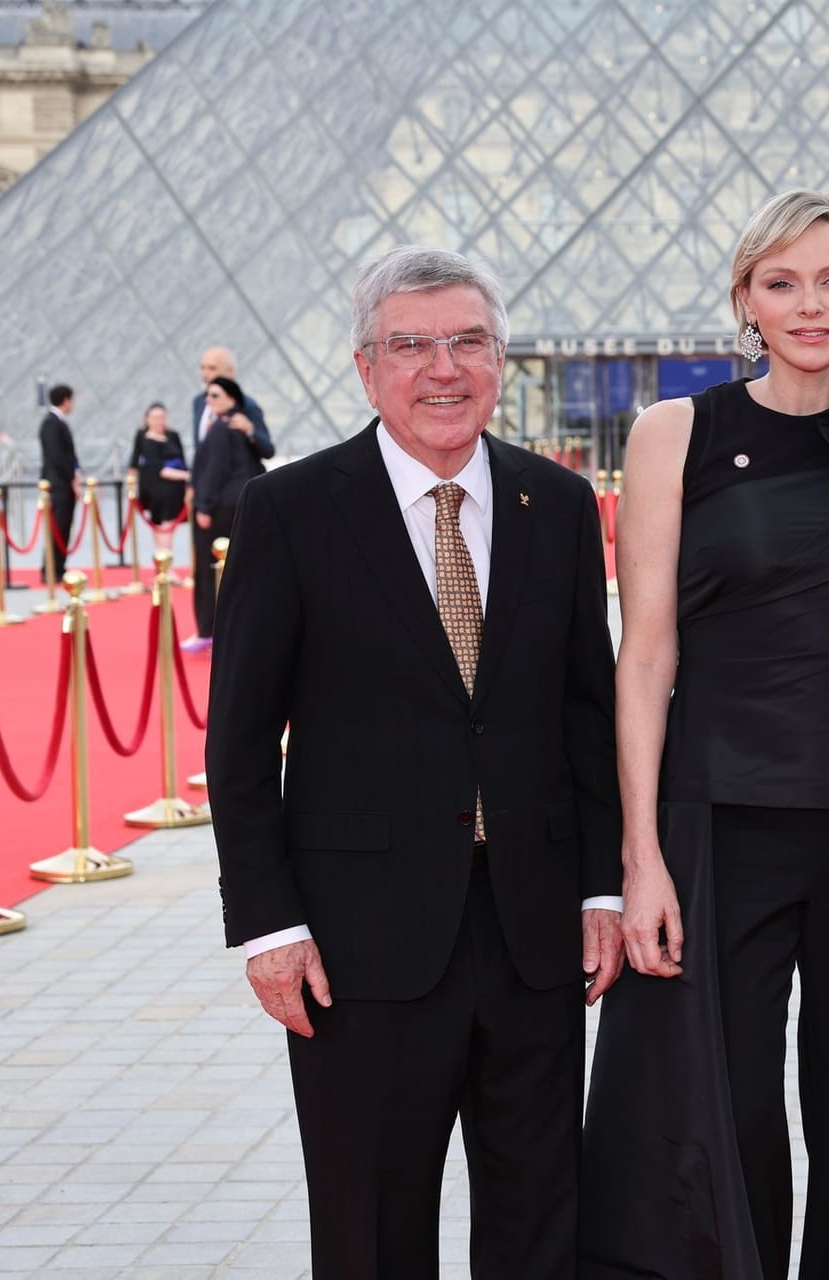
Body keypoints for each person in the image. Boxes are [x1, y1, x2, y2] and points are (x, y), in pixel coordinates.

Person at [208, 245, 623, 1278]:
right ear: (365, 367)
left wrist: (604, 887)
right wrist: (269, 923)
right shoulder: (291, 510)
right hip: (358, 938)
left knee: (540, 1221)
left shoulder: (557, 506)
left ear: (499, 359)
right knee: (372, 1226)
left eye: (468, 342)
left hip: (533, 925)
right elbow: (241, 738)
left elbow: (587, 712)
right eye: (412, 345)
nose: (444, 368)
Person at [580, 189, 829, 1280]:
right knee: (722, 1107)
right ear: (745, 298)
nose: (810, 304)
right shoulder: (674, 435)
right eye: (782, 282)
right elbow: (645, 655)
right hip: (717, 822)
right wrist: (639, 854)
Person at [184, 377, 265, 651]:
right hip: (243, 502)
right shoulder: (237, 424)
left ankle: (209, 628)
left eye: (215, 396)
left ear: (231, 398)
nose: (209, 401)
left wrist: (203, 506)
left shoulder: (221, 428)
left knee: (209, 569)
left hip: (220, 507)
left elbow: (214, 470)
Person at [127, 403, 189, 552]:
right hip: (157, 487)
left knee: (169, 524)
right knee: (162, 523)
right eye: (155, 417)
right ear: (147, 419)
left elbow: (182, 459)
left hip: (176, 488)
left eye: (162, 417)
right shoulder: (145, 438)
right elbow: (140, 464)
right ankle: (163, 561)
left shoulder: (172, 436)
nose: (159, 421)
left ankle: (164, 560)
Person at [37, 384, 80, 582]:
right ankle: (52, 569)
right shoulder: (51, 423)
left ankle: (59, 566)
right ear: (66, 400)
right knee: (58, 526)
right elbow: (57, 457)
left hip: (64, 484)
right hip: (59, 485)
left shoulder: (58, 422)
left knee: (64, 527)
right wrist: (71, 479)